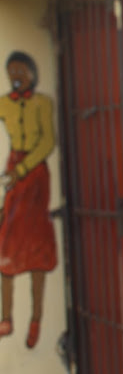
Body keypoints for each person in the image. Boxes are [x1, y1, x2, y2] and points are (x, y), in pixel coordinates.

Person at [0, 51, 57, 349]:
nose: (16, 76)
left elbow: (47, 141)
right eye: (12, 72)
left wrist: (20, 170)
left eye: (21, 70)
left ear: (32, 72)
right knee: (6, 246)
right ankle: (6, 316)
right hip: (13, 175)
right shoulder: (4, 104)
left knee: (37, 252)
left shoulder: (42, 103)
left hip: (33, 178)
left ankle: (35, 319)